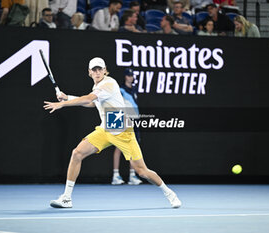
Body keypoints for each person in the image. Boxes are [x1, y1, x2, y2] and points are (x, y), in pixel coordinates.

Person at [43, 57, 182, 209]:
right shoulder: (97, 86)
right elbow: (92, 103)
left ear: (104, 70)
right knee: (77, 153)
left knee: (142, 171)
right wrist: (67, 97)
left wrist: (63, 103)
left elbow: (89, 98)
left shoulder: (108, 84)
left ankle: (169, 193)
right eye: (94, 70)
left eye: (99, 69)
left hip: (123, 132)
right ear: (89, 72)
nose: (97, 72)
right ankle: (66, 198)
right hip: (106, 129)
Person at [111, 68, 143, 185]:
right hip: (123, 119)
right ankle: (115, 175)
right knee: (119, 146)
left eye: (132, 76)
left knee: (132, 147)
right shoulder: (121, 90)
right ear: (125, 77)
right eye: (129, 76)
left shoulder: (134, 89)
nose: (131, 77)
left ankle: (132, 176)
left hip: (134, 119)